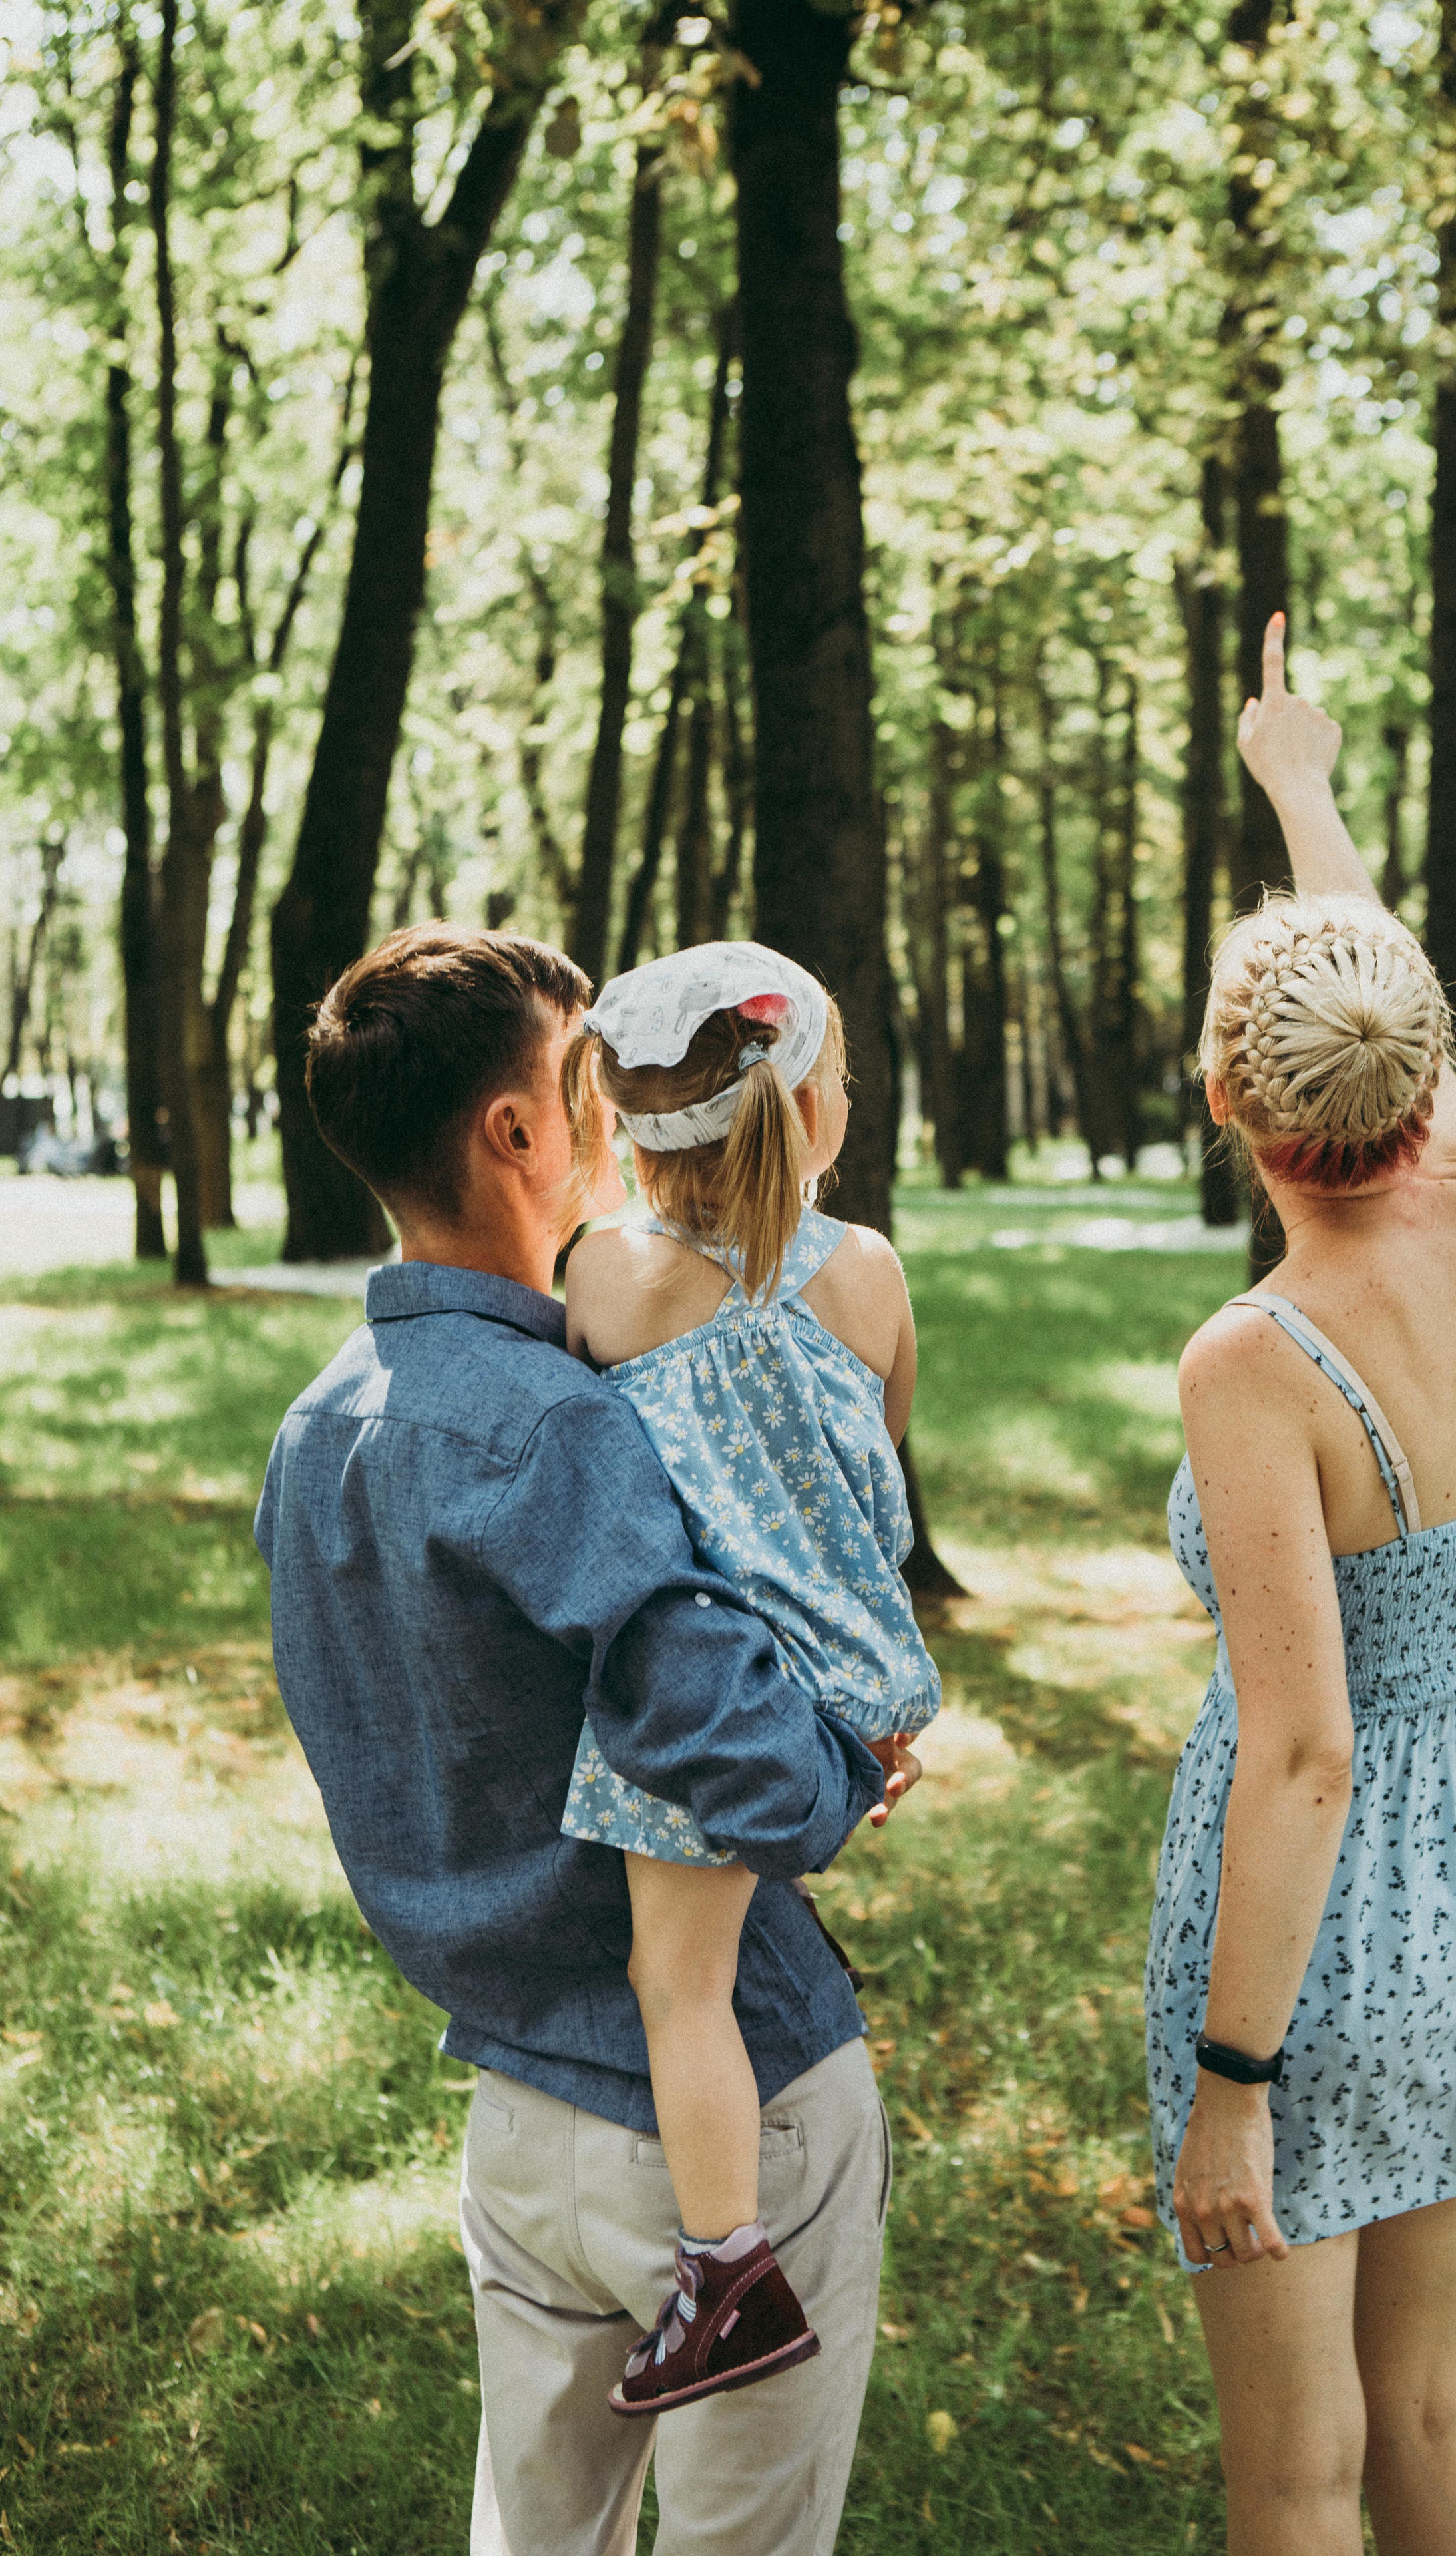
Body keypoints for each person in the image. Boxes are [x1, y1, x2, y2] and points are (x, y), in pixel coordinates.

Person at [254, 924, 917, 2556]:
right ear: (517, 1130)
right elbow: (755, 1769)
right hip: (729, 2107)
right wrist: (850, 1759)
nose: (621, 1101)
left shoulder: (320, 1427)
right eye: (584, 1075)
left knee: (537, 2534)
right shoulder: (560, 1421)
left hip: (513, 2099)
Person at [1144, 618, 1456, 2556]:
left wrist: (1233, 2081)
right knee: (1420, 2407)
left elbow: (1304, 1753)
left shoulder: (1259, 1357)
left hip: (1328, 1931)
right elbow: (1388, 1019)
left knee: (1298, 2470)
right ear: (1418, 1079)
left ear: (1224, 1099)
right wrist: (1301, 793)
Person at [558, 941, 941, 2416]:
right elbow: (877, 1465)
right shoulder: (870, 1273)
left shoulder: (606, 1276)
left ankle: (726, 2271)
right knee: (715, 1951)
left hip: (717, 1698)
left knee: (678, 1984)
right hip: (848, 1683)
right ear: (810, 1109)